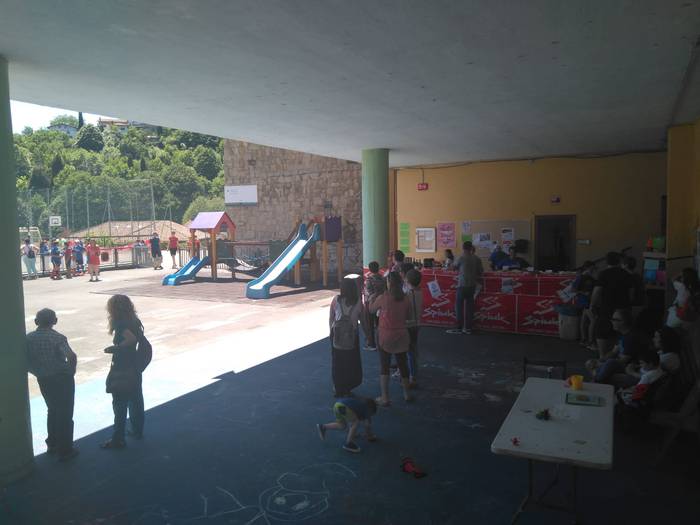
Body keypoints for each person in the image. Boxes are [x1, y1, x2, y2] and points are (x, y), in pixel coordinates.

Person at [26, 308, 78, 461]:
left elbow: (26, 360)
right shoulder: (58, 338)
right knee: (65, 413)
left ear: (36, 322)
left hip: (44, 379)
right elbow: (71, 356)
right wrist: (71, 372)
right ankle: (65, 450)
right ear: (55, 321)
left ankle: (52, 444)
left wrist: (37, 371)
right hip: (62, 379)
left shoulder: (29, 338)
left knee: (52, 410)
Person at [101, 295, 146, 449]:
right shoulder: (134, 321)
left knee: (119, 404)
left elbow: (131, 339)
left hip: (122, 367)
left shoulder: (120, 324)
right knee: (136, 399)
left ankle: (118, 438)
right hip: (134, 365)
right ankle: (137, 430)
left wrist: (116, 348)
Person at [369, 271, 412, 405]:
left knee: (384, 366)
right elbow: (408, 317)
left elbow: (371, 310)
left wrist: (372, 298)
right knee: (403, 365)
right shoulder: (406, 298)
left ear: (388, 283)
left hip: (385, 335)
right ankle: (407, 394)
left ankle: (385, 397)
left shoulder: (383, 297)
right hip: (402, 335)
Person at [585, 308, 645, 386]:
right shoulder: (622, 334)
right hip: (618, 364)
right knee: (591, 362)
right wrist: (600, 360)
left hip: (630, 367)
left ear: (623, 322)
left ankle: (596, 379)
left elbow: (623, 361)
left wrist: (601, 364)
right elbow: (613, 352)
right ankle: (596, 378)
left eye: (614, 319)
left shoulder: (631, 338)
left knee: (610, 363)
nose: (611, 321)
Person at [590, 252, 634, 358]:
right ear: (619, 261)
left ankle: (602, 356)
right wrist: (629, 305)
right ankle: (618, 356)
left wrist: (592, 305)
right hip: (622, 309)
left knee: (602, 332)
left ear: (606, 261)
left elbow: (597, 291)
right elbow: (631, 293)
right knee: (620, 333)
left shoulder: (603, 274)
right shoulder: (626, 274)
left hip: (607, 307)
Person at [328, 276, 363, 397]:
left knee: (337, 363)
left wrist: (331, 331)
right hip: (352, 336)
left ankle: (338, 387)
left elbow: (331, 317)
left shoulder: (336, 299)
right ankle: (348, 386)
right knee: (351, 362)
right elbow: (362, 319)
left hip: (336, 335)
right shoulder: (358, 302)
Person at [447, 241, 483, 335]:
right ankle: (468, 328)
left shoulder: (461, 257)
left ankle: (459, 327)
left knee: (459, 307)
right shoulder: (477, 258)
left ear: (463, 248)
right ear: (471, 248)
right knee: (470, 307)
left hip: (462, 285)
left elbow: (452, 268)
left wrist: (451, 265)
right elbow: (480, 271)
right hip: (472, 286)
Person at [405, 269, 423, 388]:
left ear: (407, 280)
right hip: (417, 324)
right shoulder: (420, 292)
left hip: (409, 325)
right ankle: (413, 372)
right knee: (413, 349)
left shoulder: (408, 294)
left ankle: (412, 376)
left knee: (409, 351)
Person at [362, 261, 386, 351]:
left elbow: (369, 293)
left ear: (370, 269)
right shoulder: (383, 278)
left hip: (371, 304)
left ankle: (371, 344)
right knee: (380, 324)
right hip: (381, 303)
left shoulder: (369, 280)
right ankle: (381, 342)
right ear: (378, 268)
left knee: (369, 324)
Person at [572, 261, 596, 348]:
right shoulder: (581, 277)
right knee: (593, 320)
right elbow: (573, 289)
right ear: (588, 267)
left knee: (584, 320)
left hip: (587, 300)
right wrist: (583, 293)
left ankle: (584, 339)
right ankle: (590, 341)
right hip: (584, 301)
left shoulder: (590, 277)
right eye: (592, 268)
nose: (593, 269)